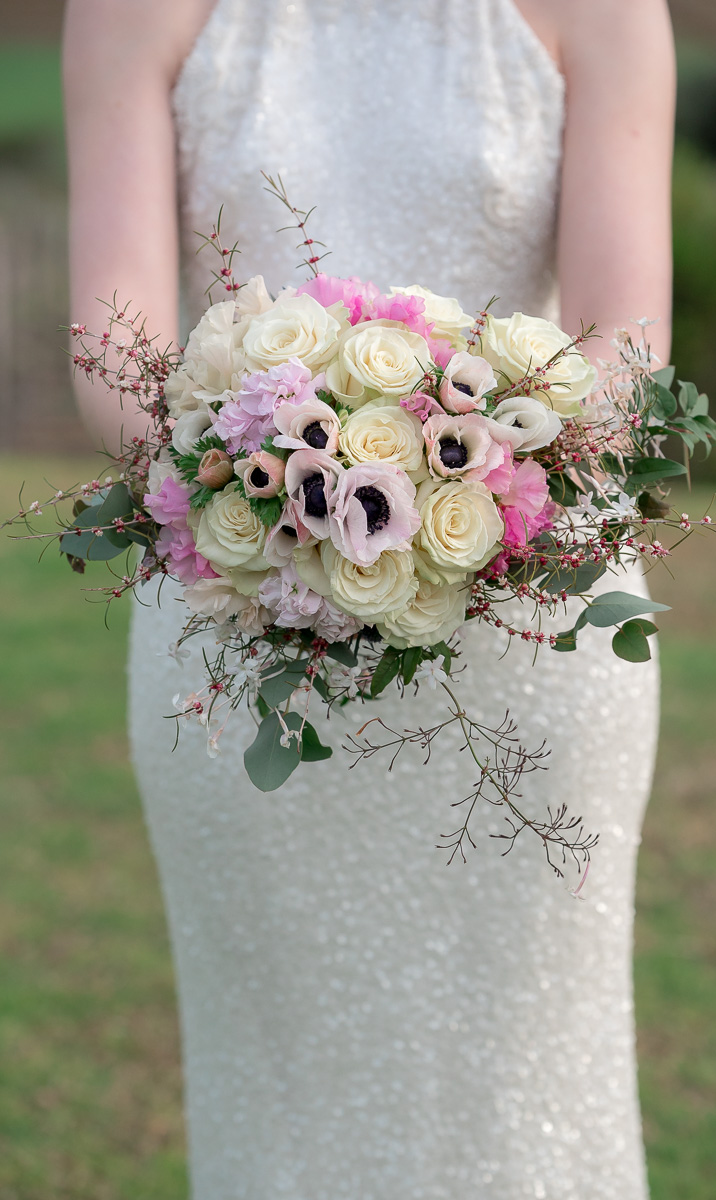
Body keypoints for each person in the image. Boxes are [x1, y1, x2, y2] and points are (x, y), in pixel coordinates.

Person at [63, 1, 675, 1196]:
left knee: (525, 1091)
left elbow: (627, 342)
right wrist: (270, 503)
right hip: (237, 622)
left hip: (529, 627)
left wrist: (456, 479)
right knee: (284, 1092)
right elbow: (110, 339)